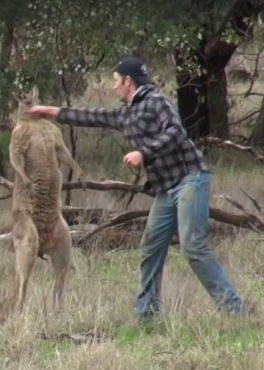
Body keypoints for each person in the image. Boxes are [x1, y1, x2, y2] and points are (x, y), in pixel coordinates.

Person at [29, 56, 246, 319]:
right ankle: (147, 315)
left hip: (190, 179)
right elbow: (92, 116)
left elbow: (175, 132)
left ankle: (235, 311)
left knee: (193, 247)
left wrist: (143, 153)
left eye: (116, 81)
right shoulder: (126, 113)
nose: (113, 87)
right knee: (151, 246)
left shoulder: (157, 102)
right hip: (165, 188)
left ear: (128, 82)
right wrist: (50, 112)